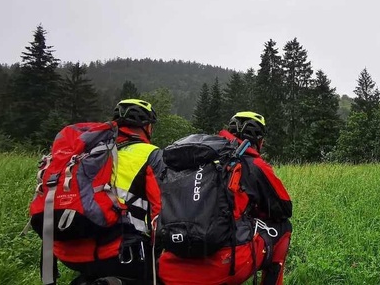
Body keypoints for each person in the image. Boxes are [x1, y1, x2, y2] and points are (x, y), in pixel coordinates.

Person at [159, 111, 293, 285]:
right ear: (259, 140)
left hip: (169, 265)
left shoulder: (202, 156)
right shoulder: (252, 163)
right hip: (222, 266)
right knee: (284, 228)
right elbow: (284, 208)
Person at [56, 99, 166, 285]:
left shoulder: (91, 152)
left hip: (71, 248)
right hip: (123, 250)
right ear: (147, 127)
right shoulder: (151, 154)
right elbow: (160, 210)